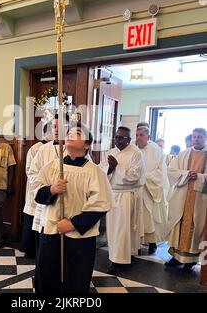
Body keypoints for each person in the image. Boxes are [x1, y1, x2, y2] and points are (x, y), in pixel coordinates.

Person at [33, 124, 113, 294]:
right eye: (68, 132)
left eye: (77, 133)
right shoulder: (53, 166)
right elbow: (37, 194)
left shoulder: (94, 172)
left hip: (79, 237)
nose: (69, 134)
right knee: (47, 276)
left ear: (87, 145)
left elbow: (101, 204)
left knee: (75, 279)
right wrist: (52, 190)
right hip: (51, 232)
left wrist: (73, 224)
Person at [100, 126, 145, 274]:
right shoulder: (111, 152)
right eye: (116, 137)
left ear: (129, 139)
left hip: (126, 195)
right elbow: (102, 170)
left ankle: (120, 260)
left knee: (123, 229)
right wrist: (110, 168)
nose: (118, 140)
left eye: (121, 138)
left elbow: (134, 176)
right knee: (113, 229)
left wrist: (116, 166)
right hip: (112, 194)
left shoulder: (136, 153)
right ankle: (115, 256)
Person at [165, 128, 207, 272]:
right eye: (194, 137)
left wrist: (200, 177)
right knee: (179, 224)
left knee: (195, 227)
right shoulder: (184, 154)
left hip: (200, 199)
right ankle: (176, 257)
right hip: (182, 196)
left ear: (205, 138)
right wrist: (186, 174)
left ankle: (191, 260)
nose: (196, 139)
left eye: (199, 137)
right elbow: (170, 171)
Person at [19, 122, 53, 258]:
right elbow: (30, 170)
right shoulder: (36, 148)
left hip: (51, 190)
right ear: (46, 132)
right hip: (37, 188)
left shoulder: (58, 148)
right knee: (32, 219)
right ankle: (29, 249)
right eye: (51, 130)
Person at [136, 126, 169, 255]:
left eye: (141, 135)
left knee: (150, 217)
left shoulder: (155, 150)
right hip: (137, 188)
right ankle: (136, 244)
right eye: (137, 135)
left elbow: (161, 171)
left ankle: (152, 243)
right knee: (137, 218)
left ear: (148, 137)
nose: (138, 138)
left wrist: (145, 178)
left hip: (150, 189)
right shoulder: (133, 149)